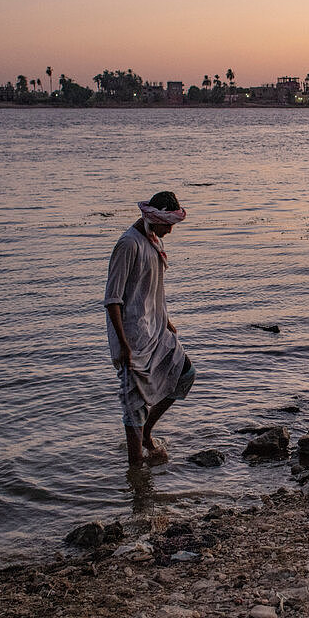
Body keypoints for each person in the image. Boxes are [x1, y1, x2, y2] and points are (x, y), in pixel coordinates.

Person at [105, 191, 196, 466]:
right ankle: (137, 472)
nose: (170, 229)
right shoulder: (128, 244)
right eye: (168, 223)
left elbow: (152, 288)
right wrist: (122, 344)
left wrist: (166, 320)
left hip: (156, 329)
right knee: (134, 404)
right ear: (154, 217)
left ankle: (146, 434)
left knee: (185, 374)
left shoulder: (152, 240)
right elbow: (112, 299)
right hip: (133, 337)